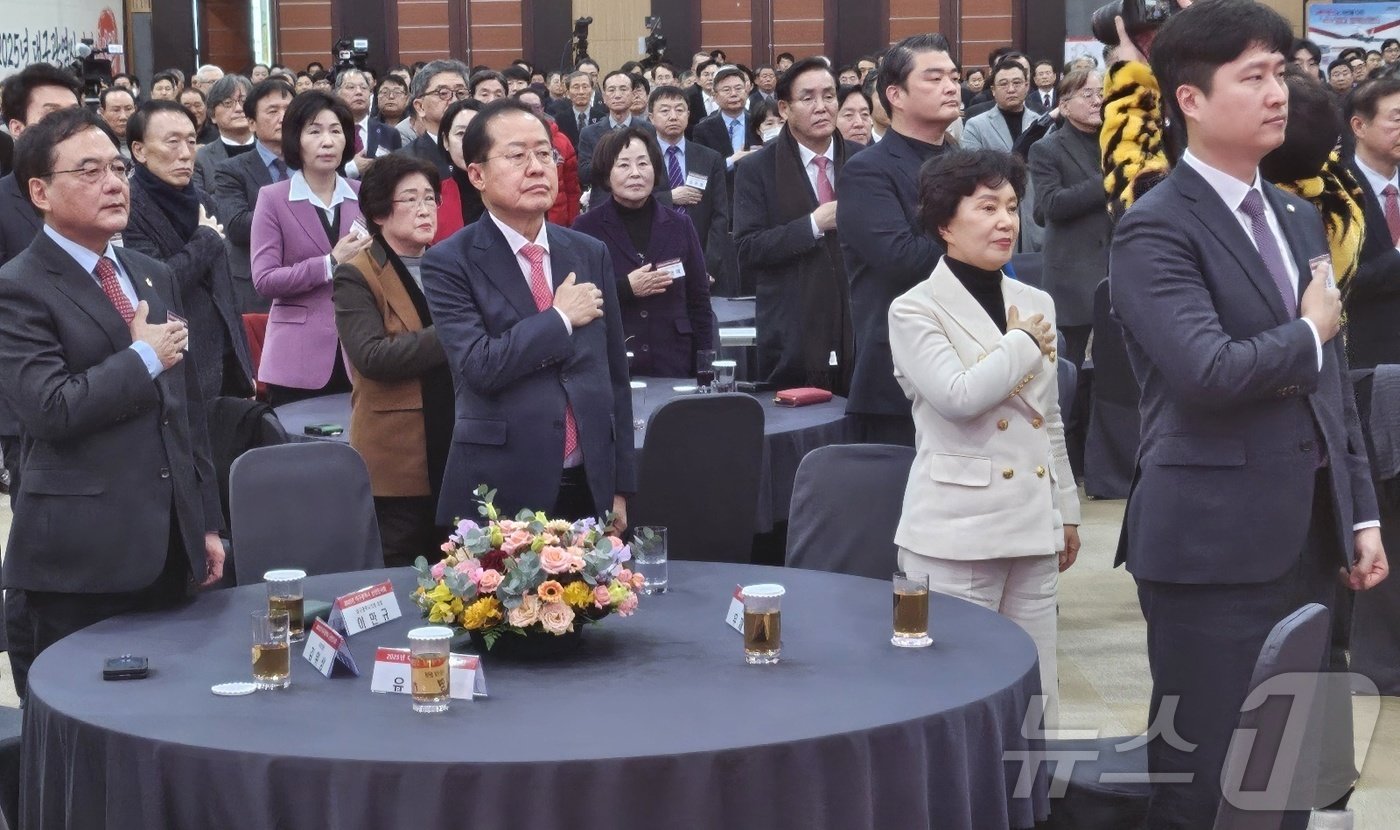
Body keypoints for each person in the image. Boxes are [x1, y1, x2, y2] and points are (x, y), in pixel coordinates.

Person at [1110, 2, 1386, 825]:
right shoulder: (1155, 227)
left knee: (1292, 769)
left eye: (1283, 74)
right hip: (1209, 542)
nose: (1280, 95)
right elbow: (1207, 372)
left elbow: (1328, 384)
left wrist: (1360, 511)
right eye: (1255, 77)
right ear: (1190, 100)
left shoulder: (1298, 214)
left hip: (1307, 533)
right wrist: (1308, 329)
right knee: (1212, 773)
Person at [0, 108, 224, 700]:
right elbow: (49, 408)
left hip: (169, 547)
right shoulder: (18, 286)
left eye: (118, 167)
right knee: (86, 725)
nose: (114, 182)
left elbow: (187, 409)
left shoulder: (149, 273)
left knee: (170, 712)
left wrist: (205, 520)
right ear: (40, 191)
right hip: (80, 561)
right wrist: (142, 358)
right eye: (90, 170)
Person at [889, 149, 1078, 728]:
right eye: (988, 207)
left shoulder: (1036, 302)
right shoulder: (914, 309)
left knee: (1033, 693)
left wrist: (1066, 508)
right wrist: (1020, 343)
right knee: (956, 695)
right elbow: (959, 395)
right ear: (946, 223)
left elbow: (1048, 418)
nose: (1006, 221)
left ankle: (1030, 806)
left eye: (1013, 207)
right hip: (956, 530)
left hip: (1031, 523)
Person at [421, 99, 635, 524]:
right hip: (500, 487)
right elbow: (479, 365)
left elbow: (614, 376)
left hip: (589, 483)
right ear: (477, 174)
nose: (537, 167)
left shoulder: (589, 251)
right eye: (518, 156)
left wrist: (620, 486)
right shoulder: (450, 261)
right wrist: (558, 320)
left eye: (545, 153)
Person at [841, 33, 961, 445]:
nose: (951, 86)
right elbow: (901, 258)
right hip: (898, 377)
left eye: (954, 76)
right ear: (896, 94)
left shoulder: (963, 161)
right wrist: (971, 241)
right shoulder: (868, 170)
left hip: (971, 364)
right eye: (934, 78)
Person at [333, 155, 452, 567]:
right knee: (400, 571)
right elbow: (372, 356)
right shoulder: (357, 273)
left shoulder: (450, 264)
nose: (425, 209)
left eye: (431, 199)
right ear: (380, 211)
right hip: (397, 458)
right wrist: (456, 332)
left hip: (455, 445)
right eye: (411, 199)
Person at [735, 57, 858, 392]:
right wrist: (813, 225)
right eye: (808, 98)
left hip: (859, 325)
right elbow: (748, 249)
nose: (822, 107)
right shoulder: (757, 169)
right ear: (785, 108)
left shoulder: (864, 162)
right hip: (792, 327)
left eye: (829, 96)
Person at [123, 100, 255, 402]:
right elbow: (155, 287)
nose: (185, 153)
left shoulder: (203, 201)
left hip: (227, 358)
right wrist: (205, 240)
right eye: (172, 142)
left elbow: (225, 288)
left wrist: (244, 364)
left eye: (191, 141)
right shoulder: (128, 208)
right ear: (139, 151)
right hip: (175, 364)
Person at [249, 91, 369, 406]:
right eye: (315, 131)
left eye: (335, 130)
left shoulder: (364, 196)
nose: (327, 141)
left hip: (358, 350)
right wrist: (329, 263)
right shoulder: (273, 198)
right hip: (296, 357)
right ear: (295, 139)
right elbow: (265, 279)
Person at [573, 127, 714, 378]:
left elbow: (698, 300)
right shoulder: (586, 228)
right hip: (613, 362)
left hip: (674, 361)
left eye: (643, 163)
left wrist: (704, 366)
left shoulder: (680, 224)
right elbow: (577, 300)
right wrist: (626, 289)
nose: (635, 174)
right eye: (624, 165)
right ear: (606, 173)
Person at [1027, 68, 1108, 368]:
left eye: (1100, 93)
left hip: (1118, 271)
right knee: (1067, 367)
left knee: (1114, 374)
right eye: (1088, 95)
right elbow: (1050, 205)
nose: (1097, 101)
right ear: (1065, 104)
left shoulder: (1114, 142)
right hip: (1073, 278)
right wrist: (1107, 181)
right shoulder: (1047, 148)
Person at [213, 77, 294, 314]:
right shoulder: (231, 170)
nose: (283, 117)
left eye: (288, 109)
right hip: (255, 288)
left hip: (313, 281)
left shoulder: (314, 164)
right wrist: (299, 216)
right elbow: (237, 225)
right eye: (273, 111)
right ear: (251, 123)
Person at [649, 85, 734, 293]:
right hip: (653, 259)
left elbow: (720, 215)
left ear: (688, 114)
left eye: (679, 110)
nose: (673, 116)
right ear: (651, 117)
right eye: (665, 110)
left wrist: (707, 264)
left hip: (701, 254)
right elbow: (631, 203)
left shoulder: (709, 158)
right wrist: (669, 197)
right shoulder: (641, 157)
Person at [1344, 75, 1400, 369]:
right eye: (1396, 120)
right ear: (1359, 126)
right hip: (1367, 362)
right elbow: (1340, 282)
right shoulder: (1333, 191)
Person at [960, 58, 1043, 252]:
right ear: (993, 90)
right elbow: (972, 169)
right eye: (1003, 84)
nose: (1011, 89)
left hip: (1035, 213)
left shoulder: (1042, 123)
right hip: (995, 212)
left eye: (1016, 83)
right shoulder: (976, 125)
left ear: (1026, 86)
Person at [577, 72, 657, 187]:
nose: (617, 95)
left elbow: (655, 168)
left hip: (639, 197)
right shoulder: (589, 133)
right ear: (604, 97)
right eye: (611, 90)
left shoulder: (647, 129)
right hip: (603, 197)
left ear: (633, 95)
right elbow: (584, 175)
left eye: (623, 89)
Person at [517, 87, 580, 227]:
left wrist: (573, 221)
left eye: (536, 107)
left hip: (558, 220)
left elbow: (572, 188)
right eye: (525, 107)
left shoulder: (561, 141)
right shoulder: (508, 142)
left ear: (543, 109)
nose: (531, 111)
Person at [404, 60, 471, 180]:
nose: (454, 100)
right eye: (443, 93)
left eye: (461, 93)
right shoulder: (405, 161)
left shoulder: (484, 150)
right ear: (420, 107)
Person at [336, 68, 402, 180]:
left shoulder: (389, 133)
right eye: (351, 87)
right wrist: (351, 169)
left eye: (364, 88)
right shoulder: (330, 132)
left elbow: (397, 174)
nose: (359, 92)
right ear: (338, 93)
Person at [193, 75, 255, 194]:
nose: (238, 108)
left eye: (244, 101)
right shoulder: (200, 158)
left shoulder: (270, 152)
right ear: (212, 115)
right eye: (228, 103)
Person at [434, 99, 484, 242]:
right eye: (461, 133)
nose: (469, 142)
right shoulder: (433, 195)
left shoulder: (512, 190)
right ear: (445, 141)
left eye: (478, 132)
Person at [552, 70, 607, 152]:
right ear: (568, 92)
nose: (581, 92)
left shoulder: (603, 118)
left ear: (592, 90)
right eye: (576, 87)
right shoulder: (560, 119)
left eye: (585, 87)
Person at [98, 86, 136, 157]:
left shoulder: (147, 141)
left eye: (128, 109)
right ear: (102, 113)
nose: (123, 117)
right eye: (116, 110)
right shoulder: (95, 146)